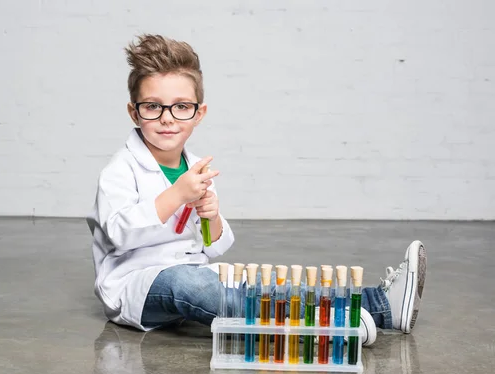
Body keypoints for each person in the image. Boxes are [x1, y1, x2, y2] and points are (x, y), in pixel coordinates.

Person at [86, 34, 427, 346]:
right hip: (137, 286)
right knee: (191, 285)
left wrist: (211, 215)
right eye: (152, 106)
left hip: (193, 274)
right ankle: (333, 323)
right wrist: (177, 195)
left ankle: (380, 306)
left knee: (256, 283)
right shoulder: (120, 170)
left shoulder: (196, 168)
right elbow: (119, 234)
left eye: (181, 106)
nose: (167, 118)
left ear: (198, 113)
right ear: (135, 112)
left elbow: (214, 245)